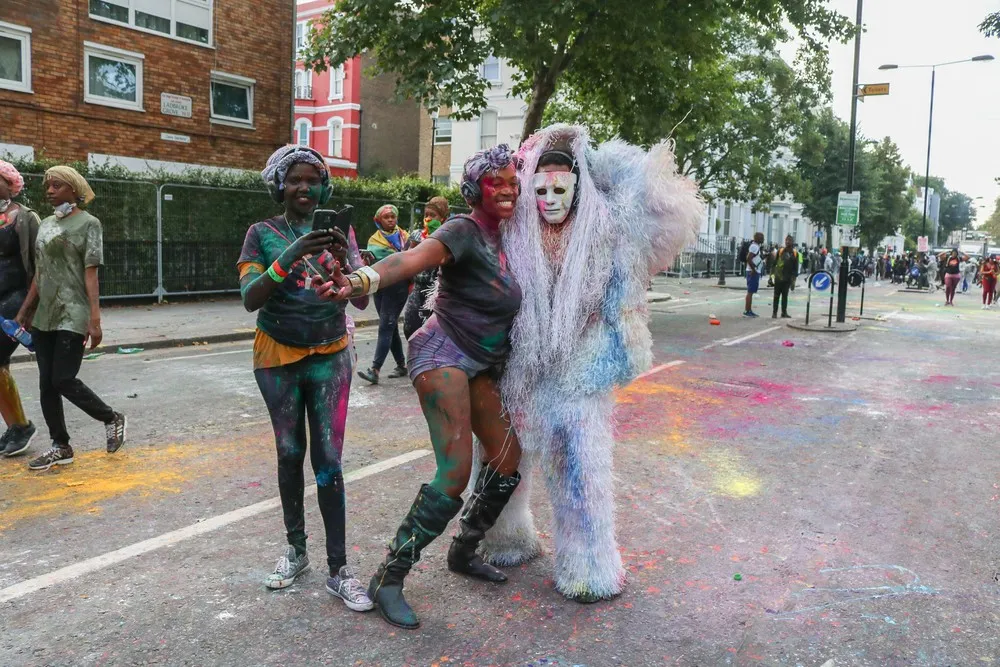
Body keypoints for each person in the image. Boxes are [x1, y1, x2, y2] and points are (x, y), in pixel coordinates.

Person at [471, 124, 702, 603]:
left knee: (579, 463)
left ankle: (588, 567)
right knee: (503, 452)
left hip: (583, 364)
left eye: (561, 189)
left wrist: (592, 157)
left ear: (580, 188)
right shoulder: (517, 229)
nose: (550, 198)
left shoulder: (610, 228)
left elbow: (658, 200)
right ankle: (503, 537)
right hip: (523, 361)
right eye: (541, 190)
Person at [316, 144, 524, 630]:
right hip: (441, 353)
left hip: (480, 362)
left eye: (514, 180)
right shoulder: (463, 230)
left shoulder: (511, 237)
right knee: (455, 470)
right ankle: (389, 577)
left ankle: (464, 549)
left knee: (508, 459)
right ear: (476, 191)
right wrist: (358, 281)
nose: (509, 189)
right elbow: (409, 260)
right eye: (498, 183)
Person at [237, 145, 373, 608]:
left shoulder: (342, 232)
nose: (304, 187)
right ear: (279, 184)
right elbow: (251, 296)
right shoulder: (261, 233)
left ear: (323, 187)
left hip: (331, 354)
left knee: (329, 461)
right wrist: (291, 253)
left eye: (312, 180)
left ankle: (340, 569)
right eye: (294, 179)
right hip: (277, 356)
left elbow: (359, 301)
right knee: (290, 452)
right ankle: (296, 551)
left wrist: (344, 263)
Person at [14, 167, 126, 471]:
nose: (49, 190)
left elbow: (91, 274)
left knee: (62, 378)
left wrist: (95, 319)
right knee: (46, 385)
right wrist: (25, 310)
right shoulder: (47, 223)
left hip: (73, 311)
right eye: (47, 185)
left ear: (74, 189)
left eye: (57, 185)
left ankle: (110, 417)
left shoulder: (89, 224)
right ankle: (60, 445)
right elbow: (41, 271)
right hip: (45, 314)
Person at [0, 161, 39, 458]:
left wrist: (28, 309)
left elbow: (40, 267)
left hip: (16, 297)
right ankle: (15, 427)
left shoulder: (25, 218)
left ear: (10, 183)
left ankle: (21, 427)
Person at [357, 204, 409, 385]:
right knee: (391, 326)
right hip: (379, 286)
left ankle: (375, 369)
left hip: (398, 286)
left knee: (385, 325)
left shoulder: (405, 237)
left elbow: (409, 258)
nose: (390, 219)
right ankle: (402, 365)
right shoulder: (374, 239)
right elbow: (373, 262)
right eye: (386, 217)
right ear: (378, 220)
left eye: (393, 216)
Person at [402, 196, 449, 340]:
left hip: (438, 294)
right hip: (417, 290)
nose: (428, 219)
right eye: (426, 215)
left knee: (434, 335)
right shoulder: (417, 236)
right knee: (410, 328)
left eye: (432, 215)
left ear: (443, 218)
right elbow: (404, 260)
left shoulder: (448, 236)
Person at [771, 235, 798, 319]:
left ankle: (784, 312)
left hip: (788, 278)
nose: (787, 242)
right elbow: (774, 263)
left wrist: (793, 279)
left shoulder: (795, 253)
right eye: (786, 240)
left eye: (789, 240)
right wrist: (771, 276)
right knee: (776, 296)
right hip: (779, 277)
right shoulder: (781, 251)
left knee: (785, 296)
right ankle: (774, 313)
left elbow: (795, 267)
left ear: (792, 242)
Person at [744, 232, 765, 317]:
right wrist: (754, 269)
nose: (763, 239)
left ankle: (749, 310)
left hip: (754, 271)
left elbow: (755, 258)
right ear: (757, 238)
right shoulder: (755, 247)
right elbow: (748, 258)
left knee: (751, 292)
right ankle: (747, 311)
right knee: (750, 292)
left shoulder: (756, 247)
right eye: (762, 237)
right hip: (752, 272)